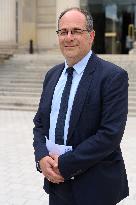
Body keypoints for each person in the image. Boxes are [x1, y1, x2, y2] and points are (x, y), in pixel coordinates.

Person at [33, 7, 129, 205]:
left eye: (76, 31)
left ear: (91, 36)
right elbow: (40, 124)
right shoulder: (52, 75)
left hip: (95, 187)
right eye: (63, 32)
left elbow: (109, 135)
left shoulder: (112, 76)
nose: (69, 37)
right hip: (56, 185)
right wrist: (42, 157)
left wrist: (64, 165)